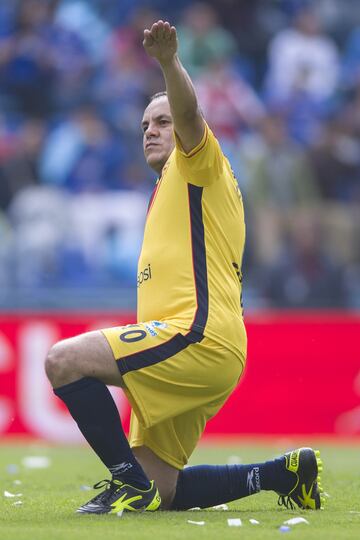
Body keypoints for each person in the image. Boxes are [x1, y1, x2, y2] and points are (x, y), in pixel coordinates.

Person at [45, 20, 325, 515]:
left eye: (162, 121)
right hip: (207, 341)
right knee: (166, 488)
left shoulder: (198, 161)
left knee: (64, 361)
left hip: (196, 335)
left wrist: (169, 62)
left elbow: (191, 113)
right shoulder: (173, 186)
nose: (151, 130)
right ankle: (281, 473)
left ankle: (128, 484)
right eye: (145, 126)